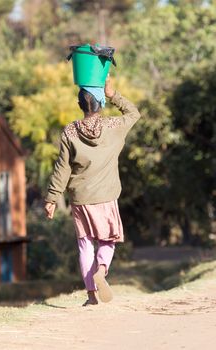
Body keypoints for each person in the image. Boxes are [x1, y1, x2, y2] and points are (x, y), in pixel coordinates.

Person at [44, 78, 141, 306]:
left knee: (84, 245)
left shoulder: (70, 132)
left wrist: (51, 198)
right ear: (101, 104)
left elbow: (63, 168)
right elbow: (134, 113)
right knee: (108, 241)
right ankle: (103, 268)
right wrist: (113, 93)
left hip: (81, 199)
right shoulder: (114, 127)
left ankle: (91, 295)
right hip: (106, 198)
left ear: (80, 105)